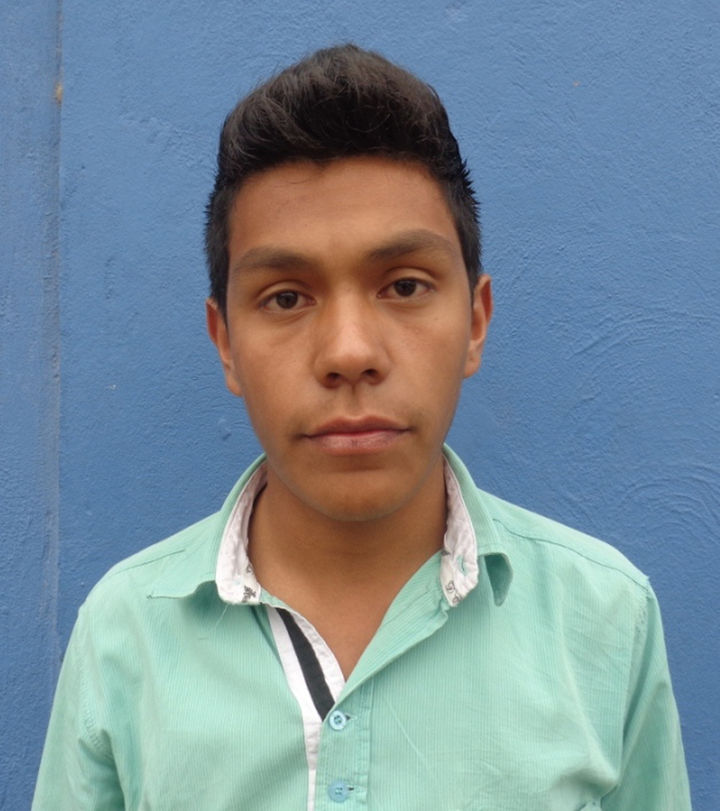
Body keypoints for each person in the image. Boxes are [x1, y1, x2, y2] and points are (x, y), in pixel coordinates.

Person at [33, 44, 690, 810]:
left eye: (404, 286)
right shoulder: (125, 632)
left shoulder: (605, 619)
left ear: (476, 323)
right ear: (226, 344)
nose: (349, 352)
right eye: (286, 297)